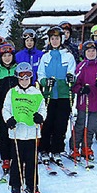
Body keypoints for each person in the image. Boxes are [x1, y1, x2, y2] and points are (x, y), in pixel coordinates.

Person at [2, 62, 47, 193]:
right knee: (17, 160)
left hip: (32, 133)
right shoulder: (12, 92)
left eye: (27, 77)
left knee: (31, 161)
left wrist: (40, 117)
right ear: (18, 78)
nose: (24, 80)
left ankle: (32, 185)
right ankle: (15, 185)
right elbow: (6, 108)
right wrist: (8, 119)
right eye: (22, 78)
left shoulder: (36, 92)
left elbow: (42, 108)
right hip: (17, 133)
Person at [36, 25, 76, 165]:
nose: (54, 41)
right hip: (49, 95)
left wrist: (70, 78)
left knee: (61, 124)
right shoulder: (45, 56)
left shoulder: (68, 56)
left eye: (57, 38)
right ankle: (44, 149)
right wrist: (45, 81)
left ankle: (57, 150)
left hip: (63, 94)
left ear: (62, 39)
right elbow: (40, 73)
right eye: (52, 38)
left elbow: (72, 71)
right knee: (47, 123)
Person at [70, 41, 97, 161]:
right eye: (88, 51)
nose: (91, 53)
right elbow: (74, 84)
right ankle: (75, 147)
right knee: (80, 125)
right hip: (84, 102)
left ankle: (86, 147)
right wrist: (82, 89)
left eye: (93, 51)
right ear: (84, 53)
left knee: (91, 127)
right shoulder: (81, 67)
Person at [0, 43, 18, 176]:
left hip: (18, 106)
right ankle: (5, 158)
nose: (7, 58)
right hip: (2, 108)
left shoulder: (18, 69)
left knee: (17, 131)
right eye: (4, 56)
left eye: (9, 55)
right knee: (4, 134)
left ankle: (16, 156)